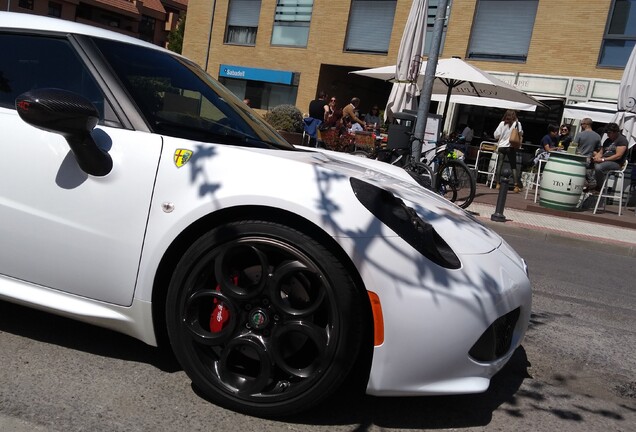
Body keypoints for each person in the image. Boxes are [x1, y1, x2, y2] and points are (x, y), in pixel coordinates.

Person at [592, 122, 628, 191]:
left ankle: (600, 187)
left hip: (616, 163)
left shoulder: (622, 140)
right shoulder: (607, 140)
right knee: (587, 164)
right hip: (605, 160)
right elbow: (601, 152)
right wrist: (596, 157)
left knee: (599, 167)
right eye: (607, 133)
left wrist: (603, 160)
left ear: (615, 132)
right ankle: (590, 184)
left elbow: (618, 156)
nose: (608, 135)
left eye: (609, 133)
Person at [493, 109, 523, 193]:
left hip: (501, 147)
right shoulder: (517, 123)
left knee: (499, 164)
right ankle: (515, 186)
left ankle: (497, 184)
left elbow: (496, 135)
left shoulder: (502, 123)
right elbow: (521, 133)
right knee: (513, 166)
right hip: (510, 147)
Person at [572, 117, 601, 190]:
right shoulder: (598, 136)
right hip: (590, 162)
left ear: (586, 124)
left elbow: (573, 147)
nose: (581, 126)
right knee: (588, 177)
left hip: (579, 160)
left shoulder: (580, 135)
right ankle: (590, 187)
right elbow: (598, 150)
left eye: (582, 124)